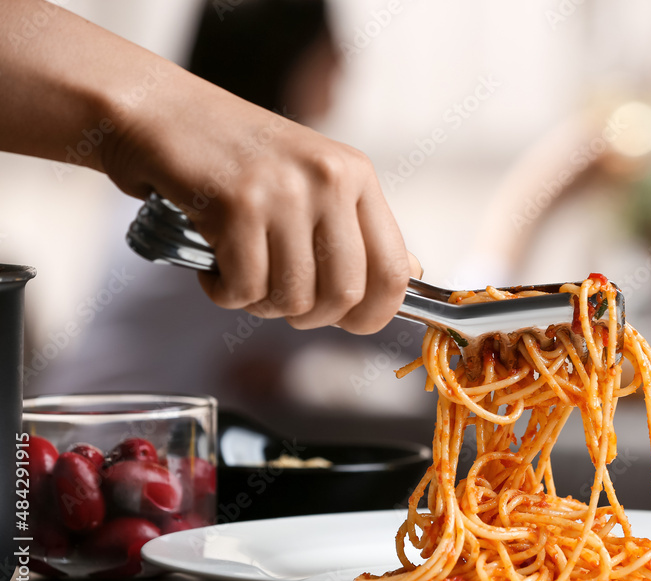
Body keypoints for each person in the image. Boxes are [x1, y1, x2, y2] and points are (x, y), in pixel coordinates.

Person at [0, 0, 420, 338]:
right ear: (286, 60)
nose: (344, 66)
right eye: (332, 47)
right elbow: (375, 310)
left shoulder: (182, 185)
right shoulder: (238, 205)